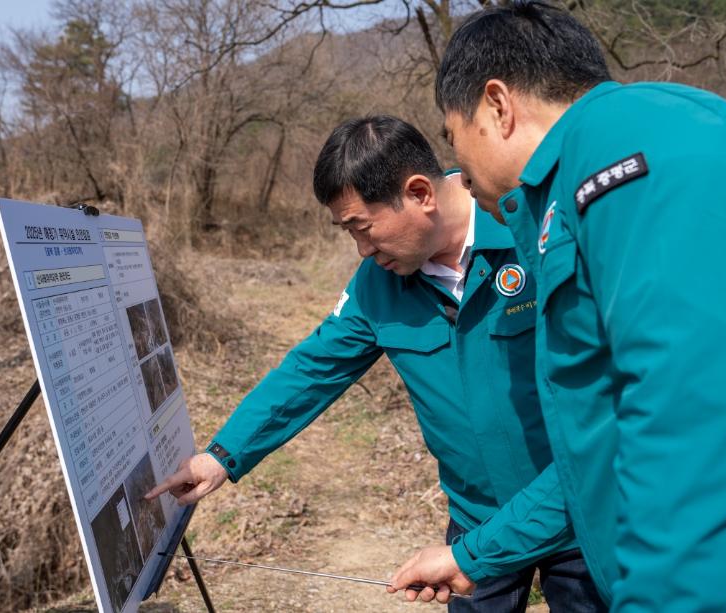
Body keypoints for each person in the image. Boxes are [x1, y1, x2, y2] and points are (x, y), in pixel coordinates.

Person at [389, 2, 726, 612]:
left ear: (497, 106)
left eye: (452, 137)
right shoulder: (572, 192)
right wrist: (475, 555)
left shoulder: (630, 145)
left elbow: (690, 405)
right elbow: (595, 447)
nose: (459, 172)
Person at [146, 115, 606, 612]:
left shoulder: (532, 229)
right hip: (476, 523)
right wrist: (223, 454)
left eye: (363, 229)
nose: (363, 250)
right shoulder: (379, 282)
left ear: (419, 194)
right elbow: (313, 369)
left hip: (577, 514)